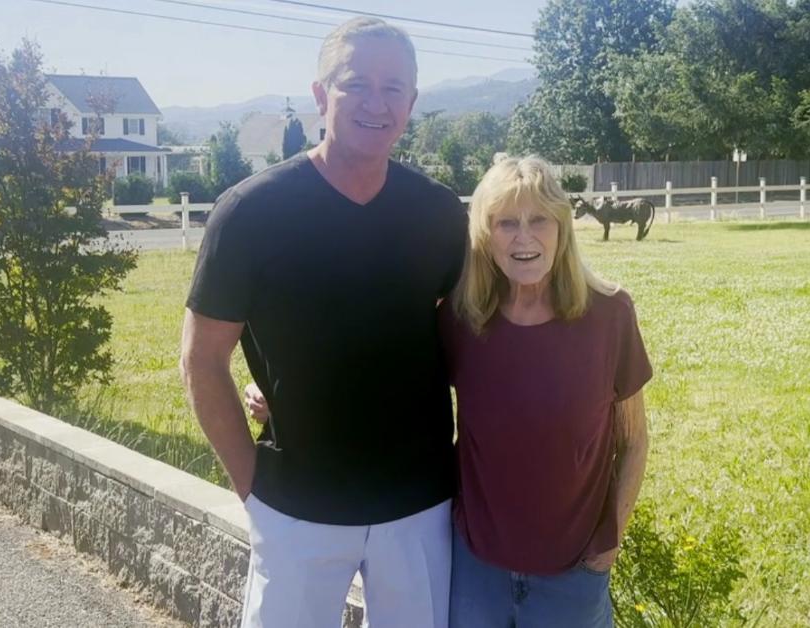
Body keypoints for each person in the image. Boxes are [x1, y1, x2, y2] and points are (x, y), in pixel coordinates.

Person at [179, 16, 466, 628]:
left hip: (417, 506)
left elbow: (465, 339)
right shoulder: (250, 213)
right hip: (295, 507)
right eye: (355, 83)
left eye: (394, 88)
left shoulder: (440, 215)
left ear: (412, 102)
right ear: (319, 94)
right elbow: (202, 359)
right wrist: (252, 488)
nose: (376, 102)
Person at [440, 155, 653, 628]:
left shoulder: (609, 315)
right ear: (484, 234)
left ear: (562, 227)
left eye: (539, 220)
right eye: (506, 223)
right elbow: (392, 386)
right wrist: (283, 397)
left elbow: (634, 440)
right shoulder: (462, 319)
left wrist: (607, 548)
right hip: (475, 571)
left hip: (572, 577)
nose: (524, 238)